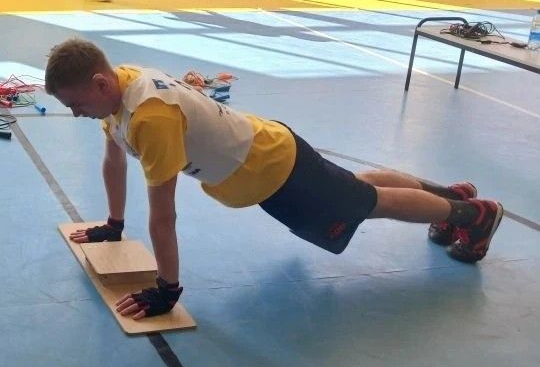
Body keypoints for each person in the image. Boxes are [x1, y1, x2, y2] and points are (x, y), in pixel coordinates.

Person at [44, 38, 504, 319]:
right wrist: (113, 224)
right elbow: (114, 160)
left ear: (100, 83)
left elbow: (163, 217)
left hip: (274, 170)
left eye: (76, 103)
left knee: (367, 201)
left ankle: (473, 215)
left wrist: (167, 289)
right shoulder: (120, 88)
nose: (76, 113)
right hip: (268, 154)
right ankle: (451, 195)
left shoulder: (150, 119)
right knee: (356, 185)